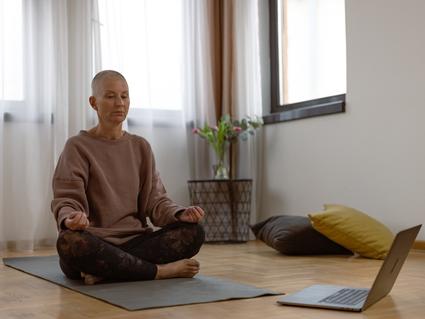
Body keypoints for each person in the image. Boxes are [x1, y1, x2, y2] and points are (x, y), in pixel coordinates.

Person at [51, 70, 205, 284]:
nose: (119, 103)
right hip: (95, 241)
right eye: (110, 96)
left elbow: (156, 201)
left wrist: (179, 214)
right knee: (70, 243)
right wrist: (70, 218)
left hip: (136, 241)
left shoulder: (140, 147)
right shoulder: (77, 146)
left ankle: (108, 271)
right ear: (94, 102)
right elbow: (66, 199)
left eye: (124, 96)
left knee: (193, 232)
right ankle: (160, 271)